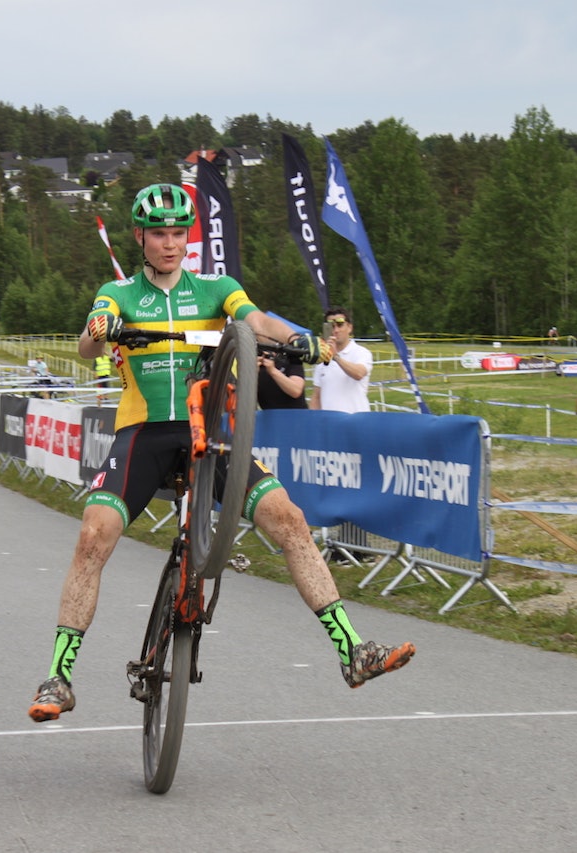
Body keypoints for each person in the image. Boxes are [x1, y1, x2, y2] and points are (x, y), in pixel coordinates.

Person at [28, 183, 415, 722]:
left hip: (206, 432)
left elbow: (257, 322)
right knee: (93, 535)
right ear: (140, 238)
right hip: (143, 434)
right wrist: (101, 328)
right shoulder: (119, 293)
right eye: (159, 234)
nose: (170, 244)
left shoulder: (216, 289)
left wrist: (298, 337)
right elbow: (89, 342)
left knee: (289, 519)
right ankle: (58, 676)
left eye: (178, 234)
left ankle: (352, 650)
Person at [309, 307, 372, 413]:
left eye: (340, 325)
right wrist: (313, 419)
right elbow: (316, 396)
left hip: (356, 419)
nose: (336, 330)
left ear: (349, 327)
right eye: (331, 326)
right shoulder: (322, 358)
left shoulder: (361, 352)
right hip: (329, 420)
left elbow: (359, 374)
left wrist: (336, 357)